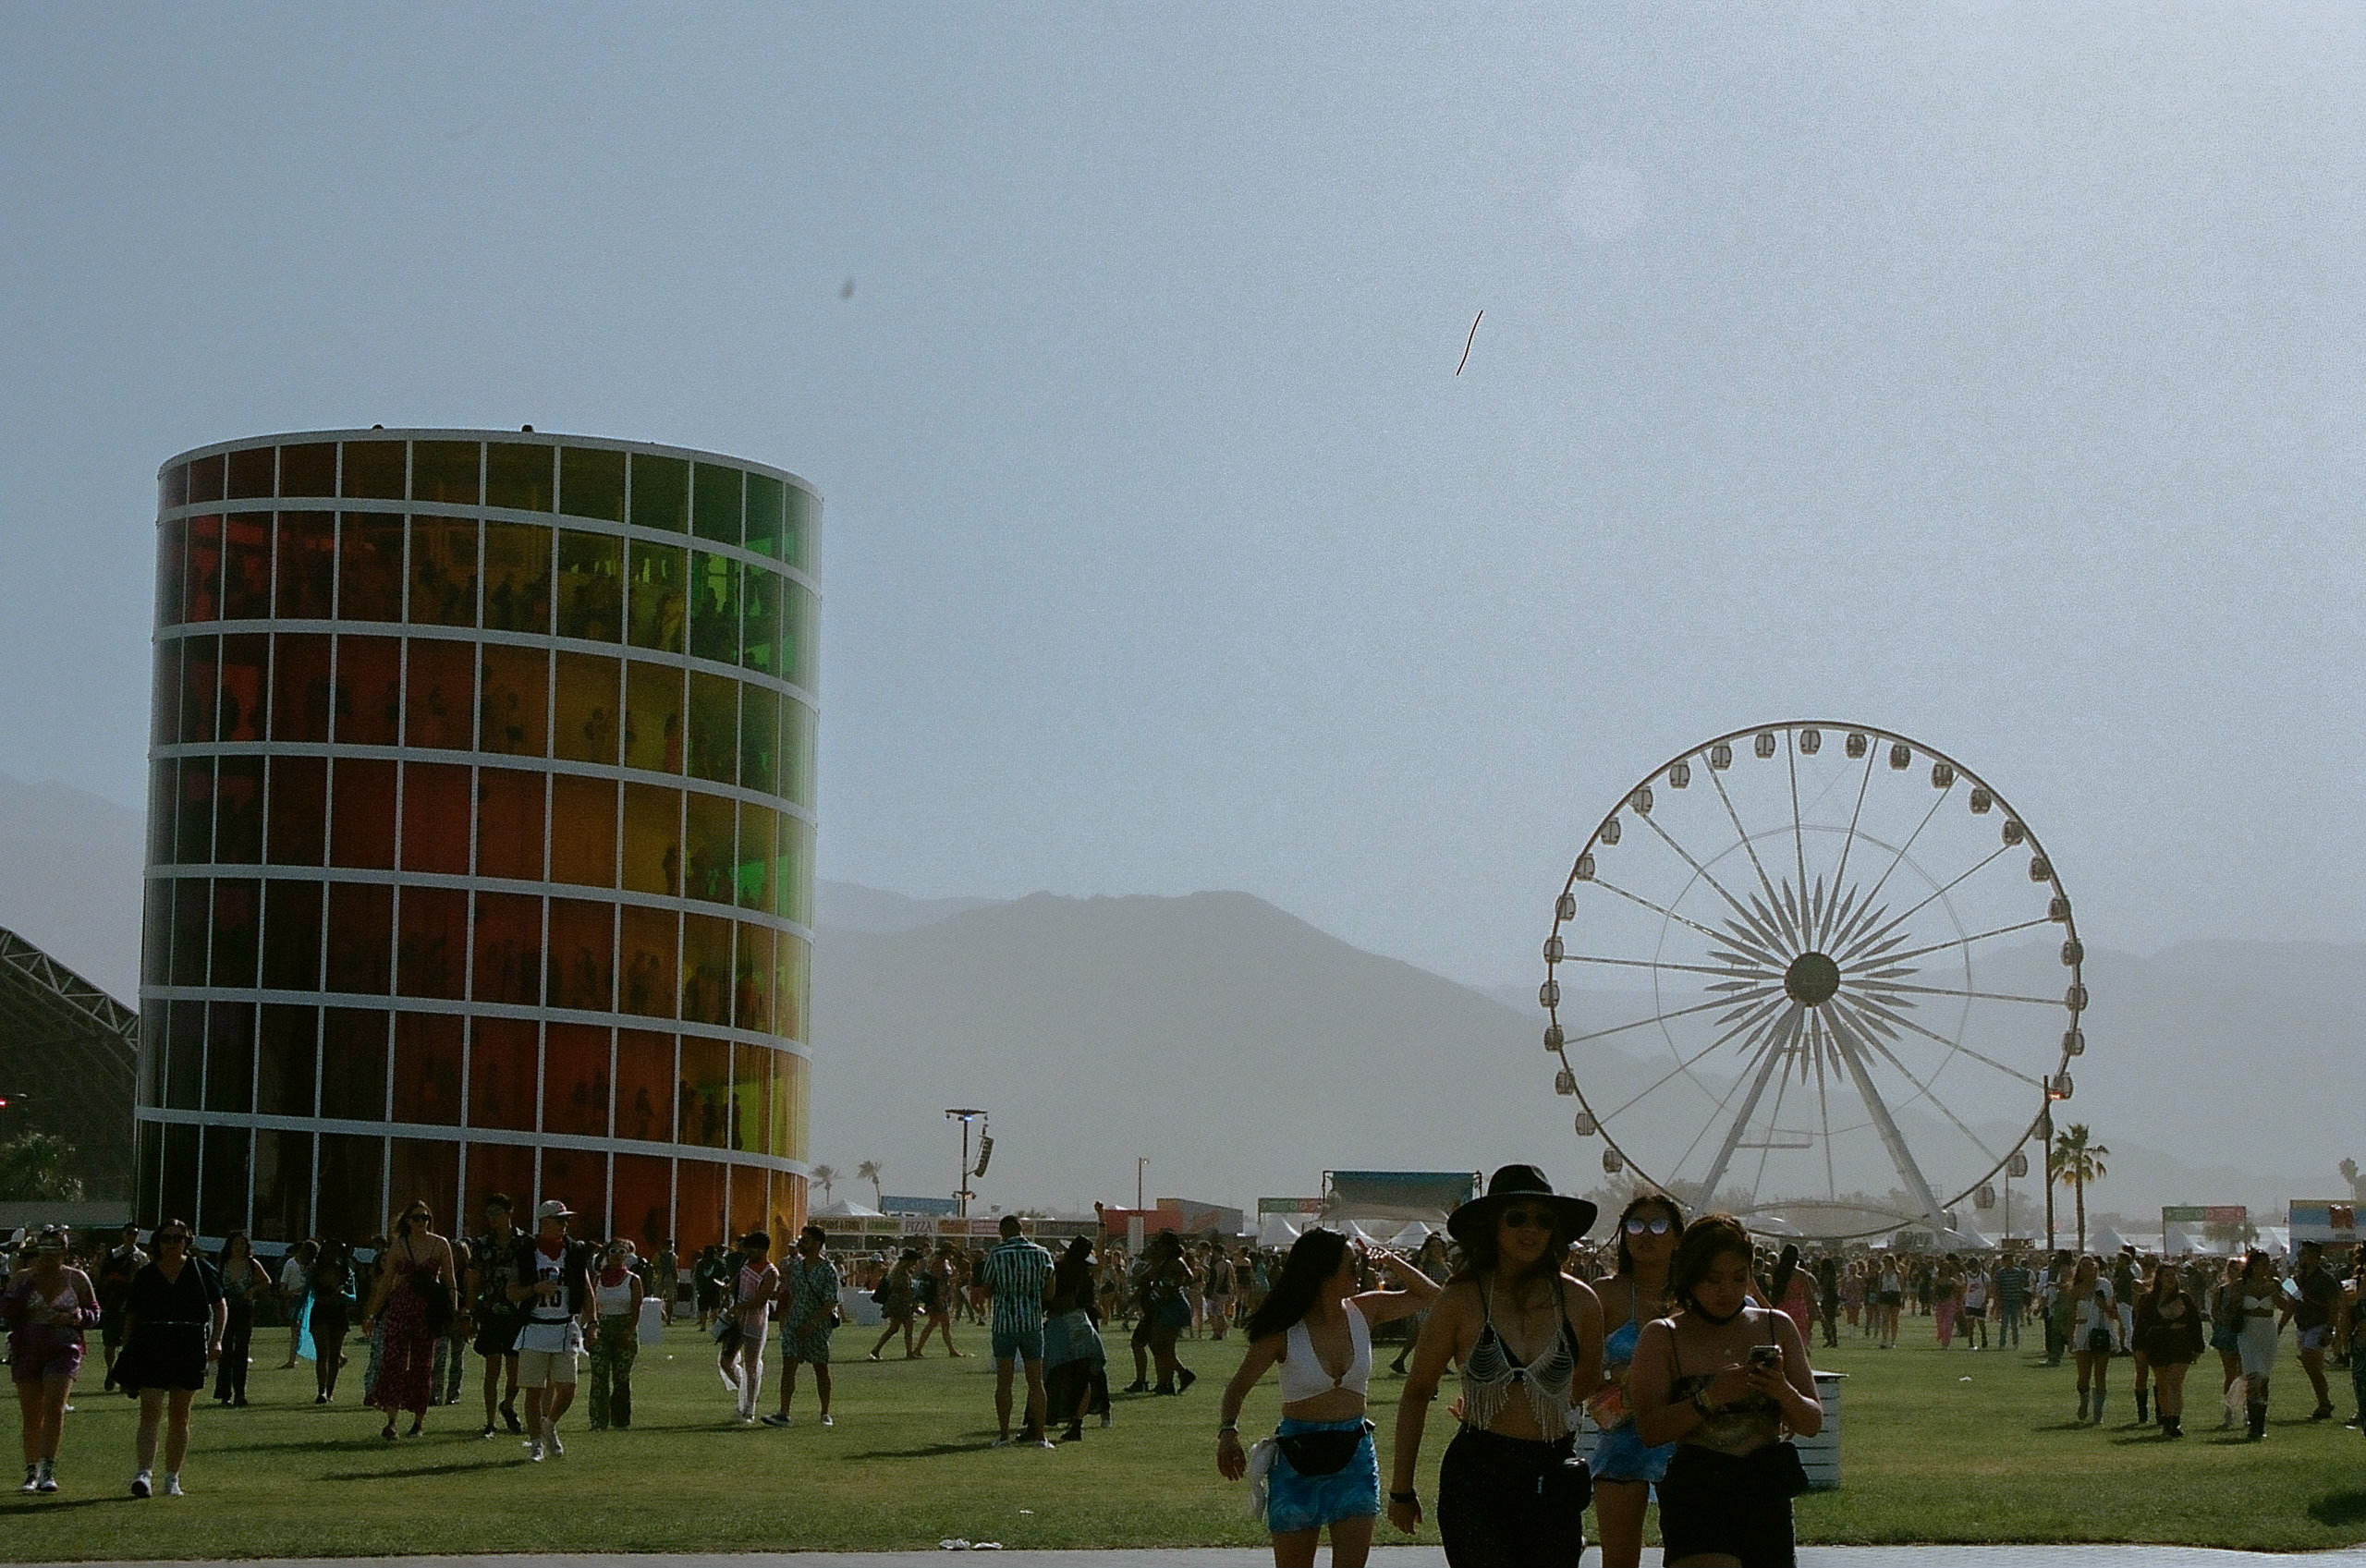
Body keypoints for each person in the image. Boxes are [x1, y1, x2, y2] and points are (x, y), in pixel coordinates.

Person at [1389, 1164, 1605, 1568]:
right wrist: (1402, 1489)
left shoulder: (1581, 1303)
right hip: (1478, 1475)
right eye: (1517, 1217)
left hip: (1551, 1472)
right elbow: (1417, 1391)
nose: (1531, 1229)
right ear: (1493, 1225)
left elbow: (1587, 1382)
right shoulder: (1460, 1300)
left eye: (1543, 1219)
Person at [1216, 1229, 1440, 1568]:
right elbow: (1237, 1387)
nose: (1361, 1272)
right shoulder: (1283, 1330)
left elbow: (1433, 1297)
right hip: (1296, 1460)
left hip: (1355, 1457)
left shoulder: (1365, 1310)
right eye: (1353, 1266)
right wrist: (1228, 1432)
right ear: (1323, 1273)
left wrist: (1392, 1260)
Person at [1630, 1214, 1823, 1568]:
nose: (1727, 1291)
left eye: (1739, 1278)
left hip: (1763, 1486)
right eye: (1713, 1279)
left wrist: (1782, 1391)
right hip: (1698, 1487)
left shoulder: (1775, 1326)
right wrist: (1709, 1398)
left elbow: (1811, 1421)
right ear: (1689, 1277)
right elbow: (1650, 1430)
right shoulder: (1664, 1336)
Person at [114, 1220, 227, 1499]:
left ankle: (172, 1477)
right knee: (150, 1408)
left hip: (188, 1343)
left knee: (180, 1413)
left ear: (187, 1241)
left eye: (178, 1238)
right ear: (158, 1243)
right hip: (152, 1342)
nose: (172, 1243)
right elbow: (132, 1315)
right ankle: (143, 1473)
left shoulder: (201, 1270)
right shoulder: (146, 1274)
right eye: (167, 1238)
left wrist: (216, 1341)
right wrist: (127, 1350)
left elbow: (220, 1305)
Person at [3, 1227, 98, 1493]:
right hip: (27, 1348)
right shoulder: (22, 1277)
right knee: (31, 1414)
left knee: (54, 1407)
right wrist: (26, 1288)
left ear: (64, 1251)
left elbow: (94, 1312)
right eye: (43, 1250)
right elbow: (6, 1310)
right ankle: (30, 1471)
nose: (48, 1256)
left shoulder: (77, 1278)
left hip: (64, 1348)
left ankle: (48, 1469)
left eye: (55, 1250)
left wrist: (77, 1318)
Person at [506, 1198, 594, 1461]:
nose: (564, 1225)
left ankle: (549, 1424)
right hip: (535, 1326)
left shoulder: (574, 1251)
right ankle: (536, 1444)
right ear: (544, 1223)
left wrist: (593, 1323)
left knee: (567, 1388)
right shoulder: (527, 1252)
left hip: (565, 1326)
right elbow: (511, 1292)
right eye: (559, 1220)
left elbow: (587, 1291)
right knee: (534, 1390)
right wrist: (535, 1289)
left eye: (566, 1220)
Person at [361, 1200, 456, 1440]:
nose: (421, 1222)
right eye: (416, 1218)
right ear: (407, 1221)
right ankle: (391, 1420)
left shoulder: (440, 1244)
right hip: (401, 1308)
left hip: (427, 1311)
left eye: (425, 1217)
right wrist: (373, 1314)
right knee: (393, 1361)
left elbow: (450, 1281)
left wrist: (453, 1313)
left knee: (423, 1365)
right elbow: (386, 1283)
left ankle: (418, 1420)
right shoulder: (400, 1246)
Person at [979, 1214, 1057, 1447]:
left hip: (1005, 1324)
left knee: (1004, 1382)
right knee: (1036, 1382)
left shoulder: (997, 1254)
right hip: (1032, 1324)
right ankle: (1040, 1436)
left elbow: (987, 1290)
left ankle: (1004, 1435)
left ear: (1003, 1231)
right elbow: (1050, 1291)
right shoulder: (1042, 1253)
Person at [766, 1224, 841, 1428]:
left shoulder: (828, 1270)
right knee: (788, 1365)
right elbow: (792, 1293)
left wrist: (813, 1323)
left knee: (820, 1367)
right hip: (794, 1323)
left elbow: (830, 1302)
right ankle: (784, 1412)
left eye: (805, 1240)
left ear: (817, 1243)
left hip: (816, 1326)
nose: (801, 1244)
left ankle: (825, 1412)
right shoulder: (797, 1267)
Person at [470, 1193, 527, 1437]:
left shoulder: (525, 1242)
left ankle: (508, 1405)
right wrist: (469, 1311)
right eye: (489, 1214)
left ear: (509, 1212)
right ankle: (490, 1422)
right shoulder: (482, 1244)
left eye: (497, 1213)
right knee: (491, 1369)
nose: (492, 1218)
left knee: (515, 1373)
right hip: (491, 1311)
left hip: (517, 1313)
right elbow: (473, 1279)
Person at [1043, 1238, 1111, 1442]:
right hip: (1083, 1325)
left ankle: (1046, 1418)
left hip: (1062, 1327)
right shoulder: (1086, 1275)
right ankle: (1077, 1423)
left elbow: (1056, 1300)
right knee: (1084, 1378)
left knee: (1054, 1374)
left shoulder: (1060, 1271)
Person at [2131, 1259, 2203, 1438]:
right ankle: (2167, 1420)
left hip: (2180, 1344)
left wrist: (2198, 1347)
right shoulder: (2149, 1300)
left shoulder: (2184, 1298)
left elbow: (2195, 1323)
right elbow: (2141, 1325)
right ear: (2159, 1278)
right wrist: (2138, 1348)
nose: (2171, 1279)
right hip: (2158, 1344)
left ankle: (2175, 1421)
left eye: (2173, 1275)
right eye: (2167, 1276)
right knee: (2163, 1385)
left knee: (2174, 1382)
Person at [586, 1239, 645, 1430]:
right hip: (602, 1329)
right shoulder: (597, 1279)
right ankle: (598, 1421)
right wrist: (588, 1330)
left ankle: (620, 1421)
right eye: (613, 1251)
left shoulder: (633, 1280)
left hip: (624, 1329)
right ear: (606, 1254)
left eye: (622, 1252)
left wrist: (629, 1330)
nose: (618, 1255)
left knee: (621, 1377)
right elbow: (590, 1305)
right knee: (599, 1375)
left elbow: (636, 1307)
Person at [723, 1232, 780, 1423]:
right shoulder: (746, 1264)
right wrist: (728, 1288)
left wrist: (739, 1307)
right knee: (726, 1360)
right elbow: (736, 1283)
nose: (748, 1252)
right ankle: (746, 1390)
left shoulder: (770, 1272)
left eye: (752, 1248)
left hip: (755, 1321)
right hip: (738, 1319)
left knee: (752, 1364)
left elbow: (761, 1300)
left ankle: (749, 1408)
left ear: (762, 1249)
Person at [210, 1232, 269, 1407]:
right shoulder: (223, 1265)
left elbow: (266, 1281)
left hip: (244, 1310)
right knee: (225, 1351)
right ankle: (224, 1394)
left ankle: (240, 1394)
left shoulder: (251, 1264)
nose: (240, 1248)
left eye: (243, 1245)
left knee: (241, 1351)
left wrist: (252, 1290)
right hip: (226, 1310)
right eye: (236, 1244)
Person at [2285, 1240, 2340, 1422]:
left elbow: (2333, 1306)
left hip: (2318, 1325)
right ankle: (2323, 1401)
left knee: (2310, 1360)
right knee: (2312, 1367)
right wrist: (2280, 1325)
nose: (2301, 1258)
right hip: (2302, 1325)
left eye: (2304, 1254)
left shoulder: (2326, 1279)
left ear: (2315, 1258)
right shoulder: (2297, 1279)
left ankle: (2324, 1402)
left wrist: (2330, 1329)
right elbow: (2291, 1304)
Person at [1139, 1230, 1200, 1396]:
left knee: (1164, 1345)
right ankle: (1169, 1380)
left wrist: (1173, 1285)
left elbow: (1190, 1276)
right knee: (1158, 1345)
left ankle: (1167, 1382)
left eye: (1161, 1244)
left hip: (1174, 1305)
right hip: (1167, 1304)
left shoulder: (1174, 1261)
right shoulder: (1166, 1261)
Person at [2233, 1250, 2282, 1441]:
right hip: (2248, 1332)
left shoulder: (2276, 1283)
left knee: (2264, 1378)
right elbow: (2229, 1307)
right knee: (2253, 1376)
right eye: (2262, 1264)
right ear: (2252, 1266)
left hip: (2267, 1332)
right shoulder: (2240, 1284)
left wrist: (2273, 1291)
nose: (2266, 1267)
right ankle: (2254, 1425)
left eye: (2268, 1264)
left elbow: (2291, 1302)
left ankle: (2260, 1420)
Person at [95, 1222, 146, 1391]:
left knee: (129, 1343)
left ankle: (125, 1376)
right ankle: (111, 1371)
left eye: (135, 1234)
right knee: (110, 1343)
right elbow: (103, 1277)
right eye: (130, 1233)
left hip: (132, 1305)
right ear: (123, 1235)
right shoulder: (112, 1255)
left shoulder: (142, 1257)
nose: (132, 1236)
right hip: (113, 1303)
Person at [2069, 1257, 2118, 1424]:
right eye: (2086, 1266)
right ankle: (2084, 1400)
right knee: (2084, 1377)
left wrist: (2103, 1304)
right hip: (2083, 1332)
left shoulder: (2105, 1287)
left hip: (2102, 1331)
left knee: (2100, 1374)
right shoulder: (2076, 1291)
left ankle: (2098, 1412)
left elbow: (2114, 1313)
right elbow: (2071, 1316)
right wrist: (2070, 1338)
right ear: (2080, 1270)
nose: (2091, 1269)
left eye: (2093, 1266)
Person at [308, 1251, 357, 1402]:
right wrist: (296, 1313)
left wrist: (342, 1294)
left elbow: (353, 1297)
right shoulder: (315, 1271)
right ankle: (321, 1390)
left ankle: (329, 1392)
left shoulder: (347, 1272)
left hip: (338, 1313)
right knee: (322, 1354)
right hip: (320, 1312)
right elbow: (307, 1292)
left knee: (334, 1355)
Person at [2210, 1255, 2247, 1429]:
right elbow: (2215, 1311)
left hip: (2244, 1332)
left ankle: (2247, 1412)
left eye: (2239, 1269)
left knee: (2245, 1374)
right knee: (2230, 1375)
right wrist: (2224, 1319)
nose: (2236, 1273)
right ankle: (2229, 1413)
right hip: (2226, 1333)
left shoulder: (2247, 1289)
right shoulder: (2222, 1290)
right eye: (2233, 1269)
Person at [912, 1244, 966, 1358]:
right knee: (943, 1323)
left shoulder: (944, 1263)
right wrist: (939, 1297)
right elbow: (936, 1282)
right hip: (937, 1297)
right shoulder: (938, 1264)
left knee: (934, 1324)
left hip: (941, 1296)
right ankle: (951, 1350)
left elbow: (946, 1280)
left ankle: (918, 1349)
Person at [867, 1249, 921, 1361]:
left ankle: (879, 1350)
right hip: (900, 1302)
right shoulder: (902, 1272)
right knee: (899, 1327)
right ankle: (878, 1350)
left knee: (899, 1328)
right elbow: (904, 1289)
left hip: (901, 1302)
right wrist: (914, 1304)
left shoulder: (902, 1271)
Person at [275, 1240, 316, 1368]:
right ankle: (291, 1359)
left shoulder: (314, 1266)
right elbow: (283, 1285)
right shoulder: (291, 1264)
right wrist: (289, 1292)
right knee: (295, 1331)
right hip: (295, 1300)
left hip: (310, 1301)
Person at [1993, 1252, 2031, 1352]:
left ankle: (2016, 1343)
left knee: (2015, 1324)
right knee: (2004, 1324)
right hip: (2005, 1301)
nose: (2011, 1262)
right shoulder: (2000, 1273)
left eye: (2012, 1260)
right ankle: (2002, 1343)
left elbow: (2021, 1286)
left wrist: (2020, 1300)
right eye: (2009, 1260)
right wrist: (1998, 1302)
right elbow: (1997, 1288)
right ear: (2004, 1262)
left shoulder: (2018, 1272)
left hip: (2015, 1300)